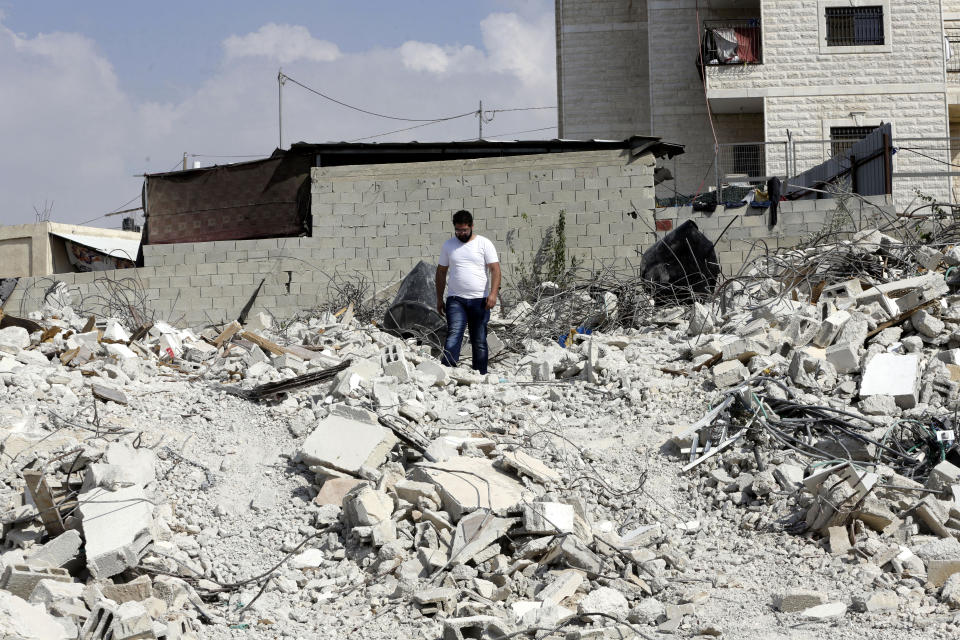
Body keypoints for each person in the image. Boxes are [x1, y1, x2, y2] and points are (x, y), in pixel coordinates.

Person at [435, 210, 500, 375]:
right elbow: (441, 272)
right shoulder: (448, 245)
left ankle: (480, 374)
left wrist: (493, 294)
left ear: (471, 226)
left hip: (480, 300)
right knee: (454, 335)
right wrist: (439, 299)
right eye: (458, 230)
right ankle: (447, 373)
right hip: (456, 300)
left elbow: (495, 270)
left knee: (478, 339)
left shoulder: (484, 244)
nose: (461, 233)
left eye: (464, 230)